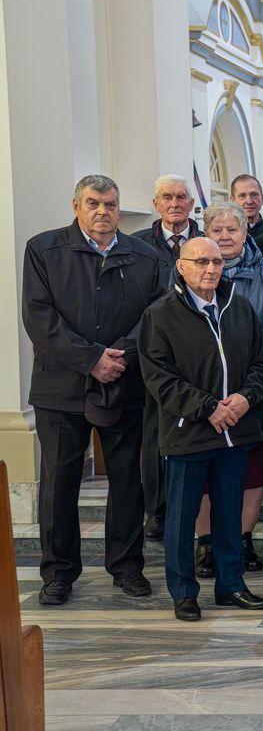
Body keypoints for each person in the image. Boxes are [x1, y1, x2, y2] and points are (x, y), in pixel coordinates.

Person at [23, 174, 164, 606]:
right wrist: (91, 360)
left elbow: (157, 315)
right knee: (59, 482)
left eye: (110, 204)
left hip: (125, 380)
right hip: (61, 387)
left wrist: (118, 356)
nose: (102, 211)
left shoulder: (145, 255)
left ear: (119, 208)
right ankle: (59, 573)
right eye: (93, 204)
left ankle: (125, 566)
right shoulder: (43, 249)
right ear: (76, 206)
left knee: (127, 480)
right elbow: (39, 317)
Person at [139, 236, 263, 621]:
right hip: (188, 433)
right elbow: (158, 377)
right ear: (181, 266)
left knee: (229, 514)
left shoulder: (239, 307)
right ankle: (183, 592)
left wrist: (247, 398)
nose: (211, 269)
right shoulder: (160, 314)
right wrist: (207, 407)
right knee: (181, 520)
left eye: (216, 262)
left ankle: (232, 585)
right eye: (200, 262)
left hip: (235, 431)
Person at [196, 202, 263, 578]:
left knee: (252, 470)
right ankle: (206, 544)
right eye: (216, 230)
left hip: (255, 390)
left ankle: (243, 539)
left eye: (232, 229)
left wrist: (248, 388)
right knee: (204, 470)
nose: (224, 236)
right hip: (205, 392)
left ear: (246, 231)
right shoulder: (192, 271)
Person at [129, 174, 201, 541]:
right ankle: (156, 511)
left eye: (181, 197)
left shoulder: (205, 242)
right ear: (156, 204)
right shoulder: (138, 245)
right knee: (156, 435)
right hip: (155, 355)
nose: (175, 203)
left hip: (199, 357)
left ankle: (196, 511)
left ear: (192, 204)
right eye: (167, 197)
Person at [230, 174, 263, 240]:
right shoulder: (223, 235)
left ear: (262, 199)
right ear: (232, 201)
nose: (249, 201)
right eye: (242, 196)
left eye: (254, 195)